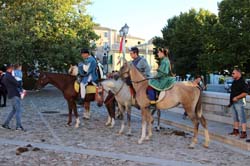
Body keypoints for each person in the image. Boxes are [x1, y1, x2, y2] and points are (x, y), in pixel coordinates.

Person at [1, 64, 25, 131]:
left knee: (14, 110)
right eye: (12, 69)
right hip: (14, 94)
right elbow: (17, 83)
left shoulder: (6, 76)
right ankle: (18, 126)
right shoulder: (9, 76)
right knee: (18, 110)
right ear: (9, 69)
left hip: (11, 94)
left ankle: (5, 124)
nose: (13, 70)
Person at [228, 68, 248, 139]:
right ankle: (236, 130)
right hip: (233, 102)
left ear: (238, 73)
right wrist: (230, 102)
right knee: (235, 117)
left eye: (233, 73)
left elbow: (245, 93)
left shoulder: (243, 81)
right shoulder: (234, 81)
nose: (232, 75)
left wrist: (237, 97)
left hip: (239, 102)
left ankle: (244, 132)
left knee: (242, 117)